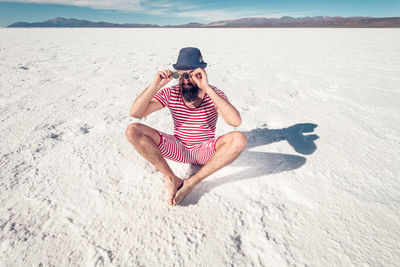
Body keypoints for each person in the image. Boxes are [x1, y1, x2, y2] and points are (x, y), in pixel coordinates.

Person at [125, 47, 247, 206]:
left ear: (201, 73)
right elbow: (136, 112)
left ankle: (191, 182)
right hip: (177, 147)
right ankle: (172, 178)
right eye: (181, 75)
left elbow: (235, 121)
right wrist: (155, 85)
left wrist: (207, 88)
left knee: (239, 139)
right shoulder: (172, 92)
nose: (186, 80)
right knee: (132, 130)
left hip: (205, 151)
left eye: (191, 75)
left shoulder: (213, 94)